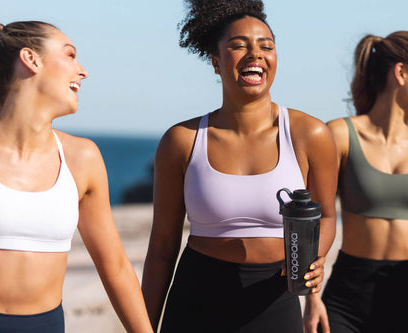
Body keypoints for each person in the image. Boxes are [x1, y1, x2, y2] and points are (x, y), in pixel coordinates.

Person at [0, 19, 153, 333]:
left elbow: (116, 268)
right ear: (31, 59)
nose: (83, 71)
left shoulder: (83, 158)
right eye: (70, 55)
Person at [141, 0, 337, 332]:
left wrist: (313, 259)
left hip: (275, 298)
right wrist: (142, 326)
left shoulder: (311, 134)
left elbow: (327, 216)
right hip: (196, 300)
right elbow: (161, 248)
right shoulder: (182, 140)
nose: (255, 54)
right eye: (238, 45)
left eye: (266, 46)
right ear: (216, 62)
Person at [323, 31, 408, 333]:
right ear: (401, 73)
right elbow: (313, 219)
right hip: (348, 297)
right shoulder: (340, 135)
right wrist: (309, 296)